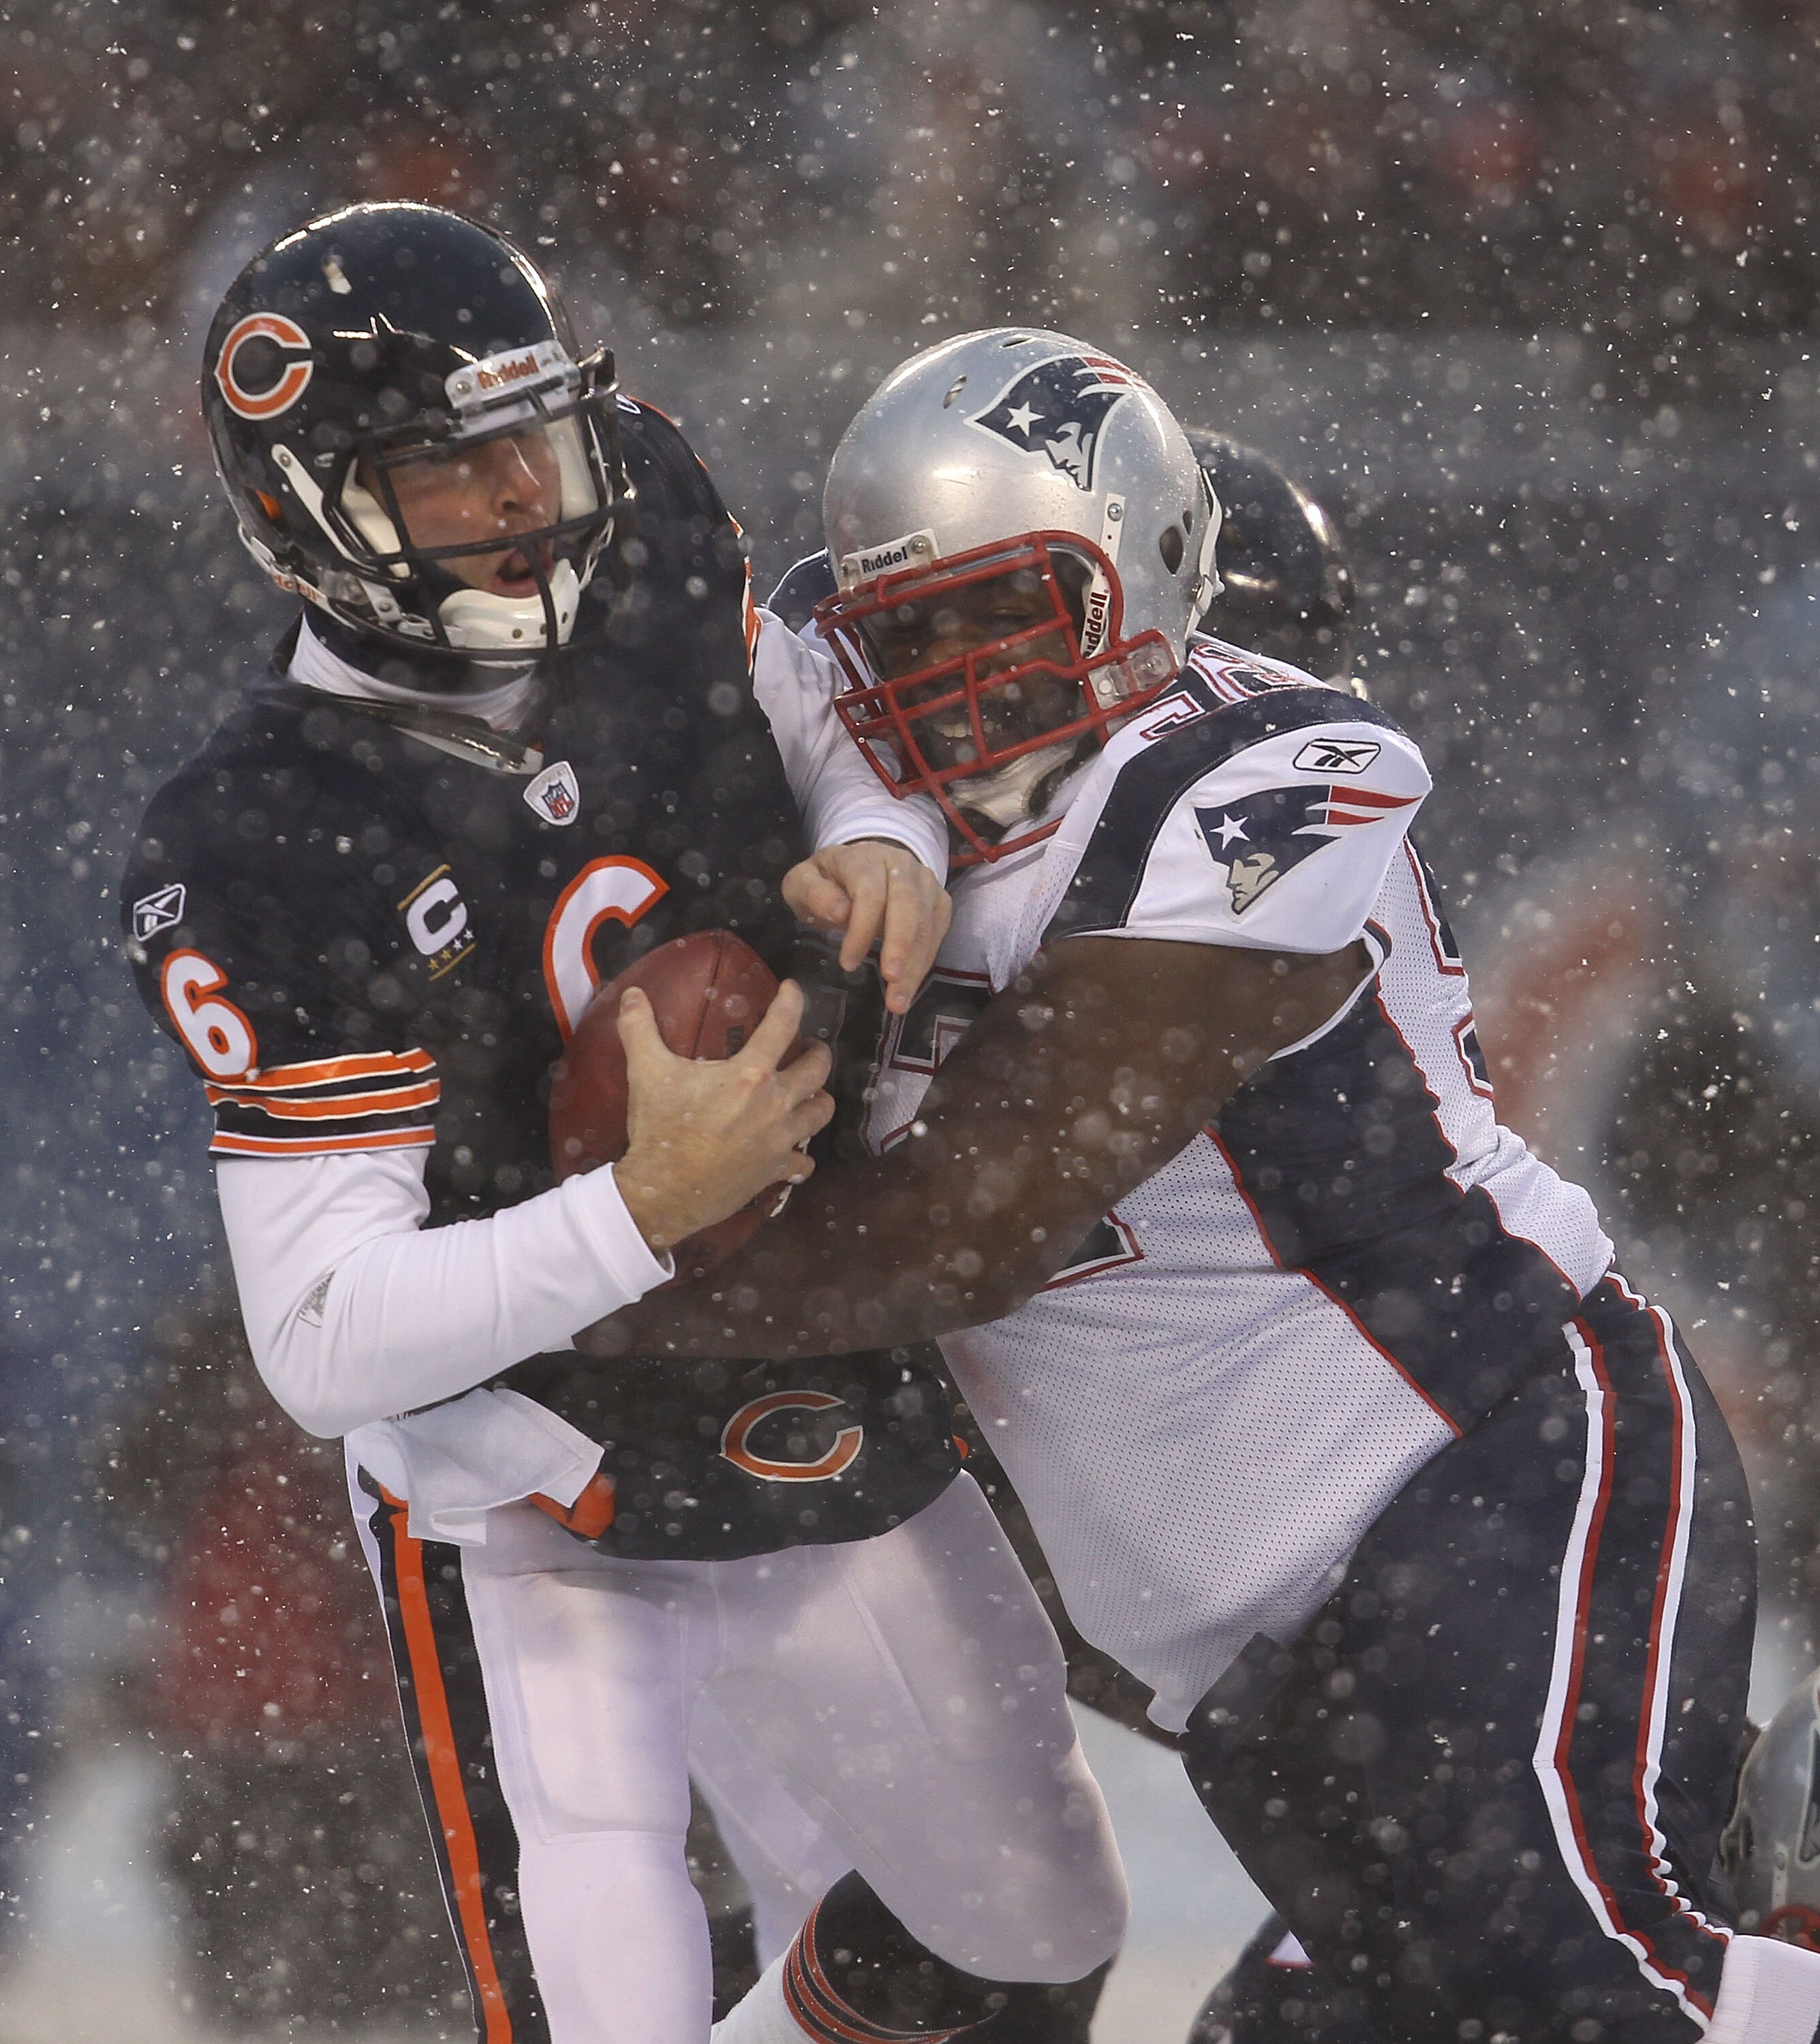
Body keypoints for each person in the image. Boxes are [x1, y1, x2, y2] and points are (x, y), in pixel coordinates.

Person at [550, 326, 1816, 2044]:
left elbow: (972, 1230)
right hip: (1232, 1638)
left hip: (1476, 1453)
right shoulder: (845, 764)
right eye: (909, 629)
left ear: (1143, 576)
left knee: (1578, 1987)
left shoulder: (1263, 783)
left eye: (1001, 614)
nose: (952, 676)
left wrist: (561, 1291)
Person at [121, 215, 1126, 2044]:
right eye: (449, 468)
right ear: (303, 514)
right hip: (522, 1478)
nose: (528, 495)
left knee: (1028, 1929)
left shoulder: (639, 505)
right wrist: (640, 1207)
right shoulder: (258, 843)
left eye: (537, 435)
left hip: (805, 1362)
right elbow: (320, 1339)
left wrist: (883, 832)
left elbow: (815, 704)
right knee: (614, 1998)